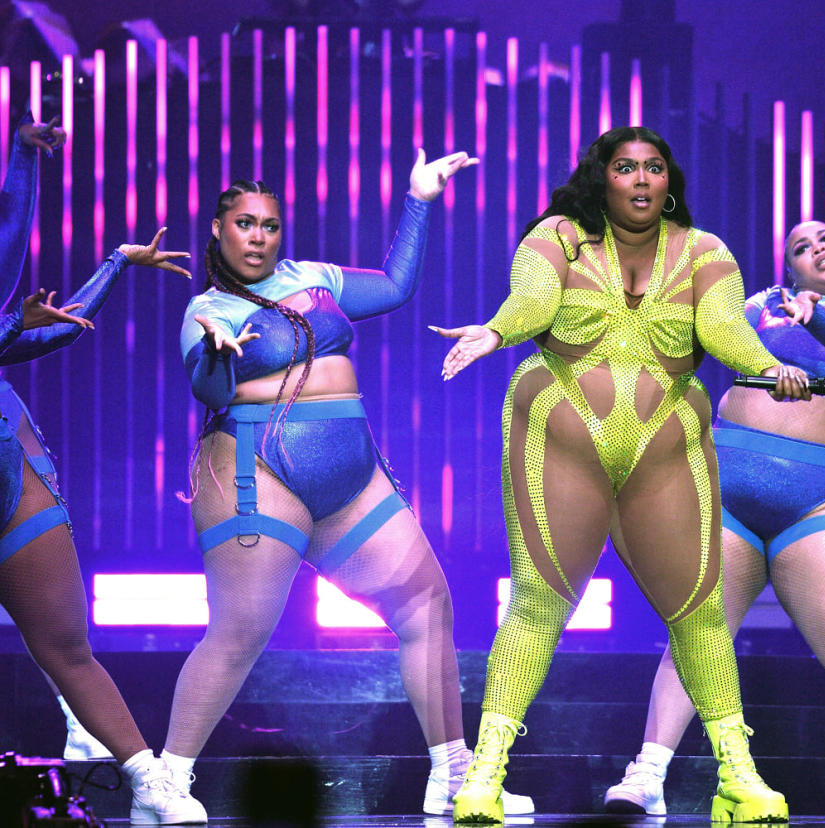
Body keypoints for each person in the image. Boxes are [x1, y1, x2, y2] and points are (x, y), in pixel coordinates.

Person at [434, 125, 807, 825]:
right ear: (602, 177)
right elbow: (534, 301)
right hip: (561, 431)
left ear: (669, 183)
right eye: (626, 167)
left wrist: (764, 366)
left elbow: (725, 329)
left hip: (664, 442)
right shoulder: (558, 237)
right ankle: (482, 776)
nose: (640, 180)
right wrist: (496, 330)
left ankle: (738, 775)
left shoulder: (705, 252)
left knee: (698, 610)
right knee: (538, 604)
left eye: (654, 168)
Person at [168, 149, 532, 818]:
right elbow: (208, 387)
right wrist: (220, 357)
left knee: (428, 605)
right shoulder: (206, 308)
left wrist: (419, 198)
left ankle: (453, 774)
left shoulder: (314, 277)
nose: (258, 236)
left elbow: (395, 287)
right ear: (219, 230)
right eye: (245, 223)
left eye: (270, 225)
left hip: (349, 472)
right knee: (241, 630)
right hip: (258, 467)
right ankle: (167, 779)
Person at [604, 220, 825, 819]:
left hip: (818, 495)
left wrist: (814, 316)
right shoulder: (762, 306)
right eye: (799, 246)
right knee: (696, 634)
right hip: (727, 487)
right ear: (787, 266)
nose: (815, 248)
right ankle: (648, 774)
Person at [0, 116, 209, 824]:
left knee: (65, 645)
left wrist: (116, 262)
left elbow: (46, 324)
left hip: (10, 472)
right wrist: (11, 328)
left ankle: (148, 781)